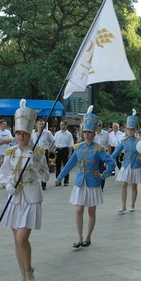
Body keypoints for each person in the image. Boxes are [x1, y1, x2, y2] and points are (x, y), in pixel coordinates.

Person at [0, 100, 49, 281]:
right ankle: (22, 276)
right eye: (18, 133)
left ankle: (28, 270)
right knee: (16, 239)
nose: (21, 136)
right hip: (14, 198)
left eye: (25, 134)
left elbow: (45, 175)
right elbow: (4, 174)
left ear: (30, 135)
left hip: (31, 196)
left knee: (22, 238)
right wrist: (8, 185)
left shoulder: (38, 151)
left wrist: (35, 162)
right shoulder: (10, 152)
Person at [55, 106, 115, 248]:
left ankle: (88, 237)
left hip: (93, 183)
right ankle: (79, 238)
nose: (87, 135)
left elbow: (111, 163)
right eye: (85, 132)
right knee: (78, 209)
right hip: (80, 182)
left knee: (91, 210)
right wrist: (59, 177)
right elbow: (70, 164)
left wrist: (102, 175)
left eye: (89, 132)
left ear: (94, 133)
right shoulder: (78, 147)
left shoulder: (98, 149)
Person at [111, 110, 141, 213]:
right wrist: (108, 159)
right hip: (125, 164)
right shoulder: (124, 141)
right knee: (123, 184)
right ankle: (123, 205)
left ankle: (132, 205)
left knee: (134, 185)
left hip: (135, 165)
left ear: (135, 130)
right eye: (128, 130)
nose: (130, 132)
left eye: (132, 130)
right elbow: (117, 151)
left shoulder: (139, 141)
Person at [31, 119, 55, 190]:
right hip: (35, 151)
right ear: (37, 125)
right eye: (40, 124)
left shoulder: (47, 132)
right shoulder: (33, 132)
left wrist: (50, 149)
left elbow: (53, 140)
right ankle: (35, 182)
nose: (41, 126)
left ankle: (43, 183)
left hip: (44, 151)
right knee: (34, 166)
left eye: (42, 124)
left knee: (43, 167)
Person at [0, 119, 13, 189]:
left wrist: (3, 140)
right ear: (0, 124)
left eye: (6, 124)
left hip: (7, 152)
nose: (5, 125)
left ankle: (5, 182)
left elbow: (11, 140)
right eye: (4, 124)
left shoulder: (8, 132)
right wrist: (6, 141)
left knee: (6, 168)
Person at [52, 120, 74, 186]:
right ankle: (58, 180)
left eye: (63, 125)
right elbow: (54, 142)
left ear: (66, 125)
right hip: (58, 150)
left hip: (65, 150)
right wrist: (51, 150)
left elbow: (71, 145)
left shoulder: (69, 134)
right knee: (58, 166)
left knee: (66, 166)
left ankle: (66, 181)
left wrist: (70, 153)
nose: (61, 126)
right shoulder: (57, 133)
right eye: (60, 125)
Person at [94, 119, 110, 190]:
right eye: (97, 125)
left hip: (103, 153)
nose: (98, 127)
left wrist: (109, 156)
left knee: (102, 171)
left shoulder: (106, 133)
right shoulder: (93, 133)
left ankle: (101, 187)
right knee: (94, 170)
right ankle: (96, 185)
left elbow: (108, 145)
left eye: (99, 125)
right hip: (95, 154)